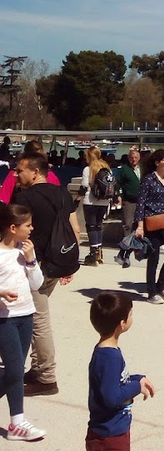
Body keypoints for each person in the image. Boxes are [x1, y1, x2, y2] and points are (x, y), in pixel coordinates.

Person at [12, 151, 79, 397]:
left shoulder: (25, 197)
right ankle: (37, 368)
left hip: (35, 264)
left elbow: (15, 231)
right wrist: (69, 264)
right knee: (34, 316)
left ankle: (47, 378)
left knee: (39, 321)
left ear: (35, 172)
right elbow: (74, 229)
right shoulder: (63, 193)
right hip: (57, 262)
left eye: (20, 170)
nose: (16, 175)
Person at [86, 292, 155, 451]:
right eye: (131, 314)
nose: (132, 317)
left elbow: (114, 383)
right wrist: (136, 387)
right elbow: (112, 397)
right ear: (122, 324)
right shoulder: (109, 357)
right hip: (108, 435)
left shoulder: (107, 352)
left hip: (116, 430)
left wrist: (137, 379)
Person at [0, 204, 46, 441]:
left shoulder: (24, 251)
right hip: (4, 319)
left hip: (26, 315)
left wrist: (31, 260)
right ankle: (17, 423)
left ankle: (17, 422)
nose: (32, 228)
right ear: (12, 228)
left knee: (17, 370)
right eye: (27, 225)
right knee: (15, 371)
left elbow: (37, 284)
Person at [134, 149, 164, 305]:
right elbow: (141, 203)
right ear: (157, 162)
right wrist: (140, 226)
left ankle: (161, 285)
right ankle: (151, 291)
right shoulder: (148, 180)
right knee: (154, 258)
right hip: (152, 222)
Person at [80, 146, 113, 266]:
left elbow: (84, 186)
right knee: (98, 225)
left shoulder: (88, 169)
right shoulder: (107, 168)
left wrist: (77, 200)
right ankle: (99, 251)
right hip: (104, 202)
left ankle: (93, 252)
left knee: (91, 226)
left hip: (90, 201)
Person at [114, 148, 142, 268]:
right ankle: (124, 253)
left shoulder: (143, 169)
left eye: (136, 158)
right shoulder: (124, 170)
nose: (134, 160)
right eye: (131, 158)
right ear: (128, 158)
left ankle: (125, 253)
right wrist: (118, 196)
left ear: (139, 158)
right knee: (127, 226)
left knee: (137, 227)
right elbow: (117, 184)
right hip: (129, 201)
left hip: (141, 202)